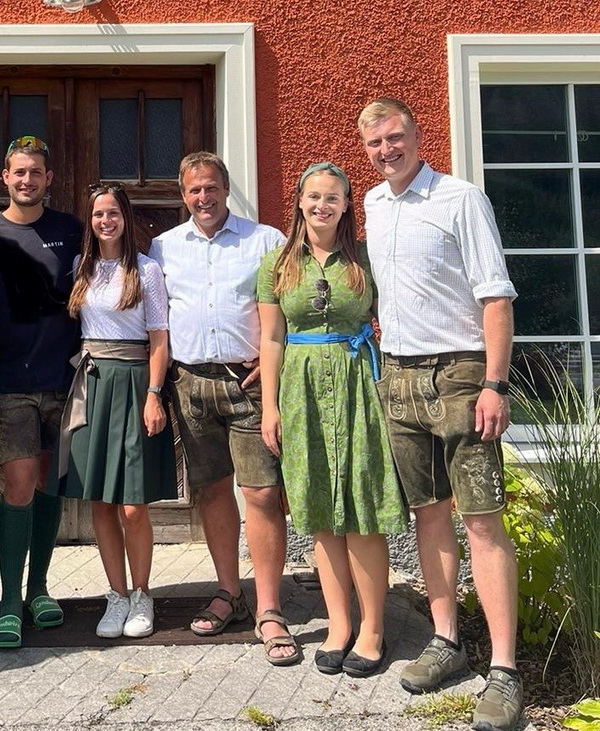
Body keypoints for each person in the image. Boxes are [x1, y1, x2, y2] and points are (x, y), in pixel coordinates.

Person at [358, 98, 520, 731]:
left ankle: (505, 671)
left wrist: (495, 385)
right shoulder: (372, 204)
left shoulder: (460, 199)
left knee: (482, 520)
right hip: (397, 376)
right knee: (429, 516)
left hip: (460, 375)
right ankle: (447, 641)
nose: (386, 150)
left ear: (418, 136)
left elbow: (496, 296)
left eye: (395, 137)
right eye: (375, 144)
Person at [257, 162, 409, 677]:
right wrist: (271, 406)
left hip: (358, 386)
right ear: (299, 201)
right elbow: (272, 339)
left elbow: (396, 319)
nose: (322, 205)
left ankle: (373, 628)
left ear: (346, 205)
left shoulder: (365, 260)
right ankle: (339, 624)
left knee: (363, 504)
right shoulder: (277, 265)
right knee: (320, 508)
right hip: (300, 392)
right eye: (313, 196)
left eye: (333, 198)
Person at [150, 151, 300, 665]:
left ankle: (270, 608)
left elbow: (292, 308)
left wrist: (280, 361)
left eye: (211, 188)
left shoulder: (266, 241)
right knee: (212, 491)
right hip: (190, 384)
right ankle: (229, 592)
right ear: (182, 194)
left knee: (260, 492)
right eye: (194, 190)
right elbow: (156, 320)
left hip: (249, 384)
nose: (203, 198)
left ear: (226, 188)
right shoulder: (163, 248)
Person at [0, 136, 83, 649]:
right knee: (17, 487)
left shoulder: (71, 231)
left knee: (50, 486)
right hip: (9, 384)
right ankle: (9, 600)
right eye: (19, 172)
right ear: (4, 178)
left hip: (64, 379)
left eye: (36, 172)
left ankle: (40, 590)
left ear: (48, 179)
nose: (27, 180)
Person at [48, 185, 178, 639]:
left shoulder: (147, 270)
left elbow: (159, 338)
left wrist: (154, 394)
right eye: (98, 214)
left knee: (132, 505)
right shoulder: (82, 271)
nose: (106, 221)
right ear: (91, 220)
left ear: (126, 217)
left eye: (113, 213)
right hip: (92, 383)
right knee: (100, 500)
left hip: (135, 381)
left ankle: (143, 594)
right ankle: (117, 594)